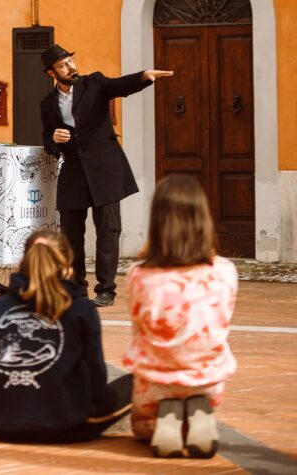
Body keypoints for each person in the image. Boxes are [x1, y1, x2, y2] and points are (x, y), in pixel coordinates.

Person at [39, 44, 173, 306]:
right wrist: (53, 138)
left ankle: (106, 290)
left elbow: (119, 86)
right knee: (71, 234)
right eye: (64, 65)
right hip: (74, 170)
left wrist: (144, 76)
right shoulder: (47, 104)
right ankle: (76, 288)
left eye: (71, 61)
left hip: (105, 168)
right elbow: (46, 138)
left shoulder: (95, 83)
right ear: (51, 73)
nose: (71, 67)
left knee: (108, 230)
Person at [0, 230, 132, 443]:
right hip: (65, 427)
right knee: (137, 381)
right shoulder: (80, 309)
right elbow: (96, 382)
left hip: (2, 426)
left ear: (25, 262)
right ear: (67, 267)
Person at [122, 175, 237, 459]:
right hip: (207, 380)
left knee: (141, 427)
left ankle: (166, 418)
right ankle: (197, 414)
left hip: (155, 382)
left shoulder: (139, 275)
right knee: (198, 393)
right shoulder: (224, 271)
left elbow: (140, 330)